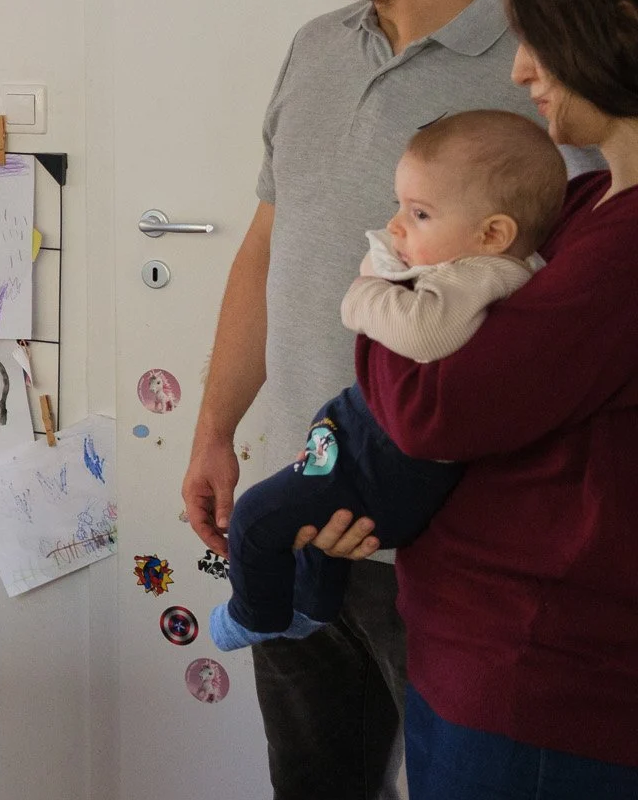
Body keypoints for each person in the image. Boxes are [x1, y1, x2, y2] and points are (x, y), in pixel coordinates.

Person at [180, 0, 560, 800]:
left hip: (447, 540)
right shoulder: (312, 52)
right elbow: (268, 249)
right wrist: (216, 430)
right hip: (296, 505)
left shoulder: (540, 62)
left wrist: (425, 484)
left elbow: (563, 327)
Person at [303, 0, 638, 800]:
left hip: (539, 687)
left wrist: (380, 297)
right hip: (485, 660)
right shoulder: (590, 203)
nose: (522, 67)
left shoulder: (622, 245)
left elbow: (437, 404)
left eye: (539, 35)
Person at [208, 111, 565, 649]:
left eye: (419, 213)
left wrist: (364, 293)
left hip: (386, 462)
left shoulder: (488, 273)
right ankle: (309, 607)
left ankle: (253, 616)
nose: (397, 225)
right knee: (310, 530)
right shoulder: (472, 262)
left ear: (494, 233)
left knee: (255, 521)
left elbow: (426, 332)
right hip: (366, 438)